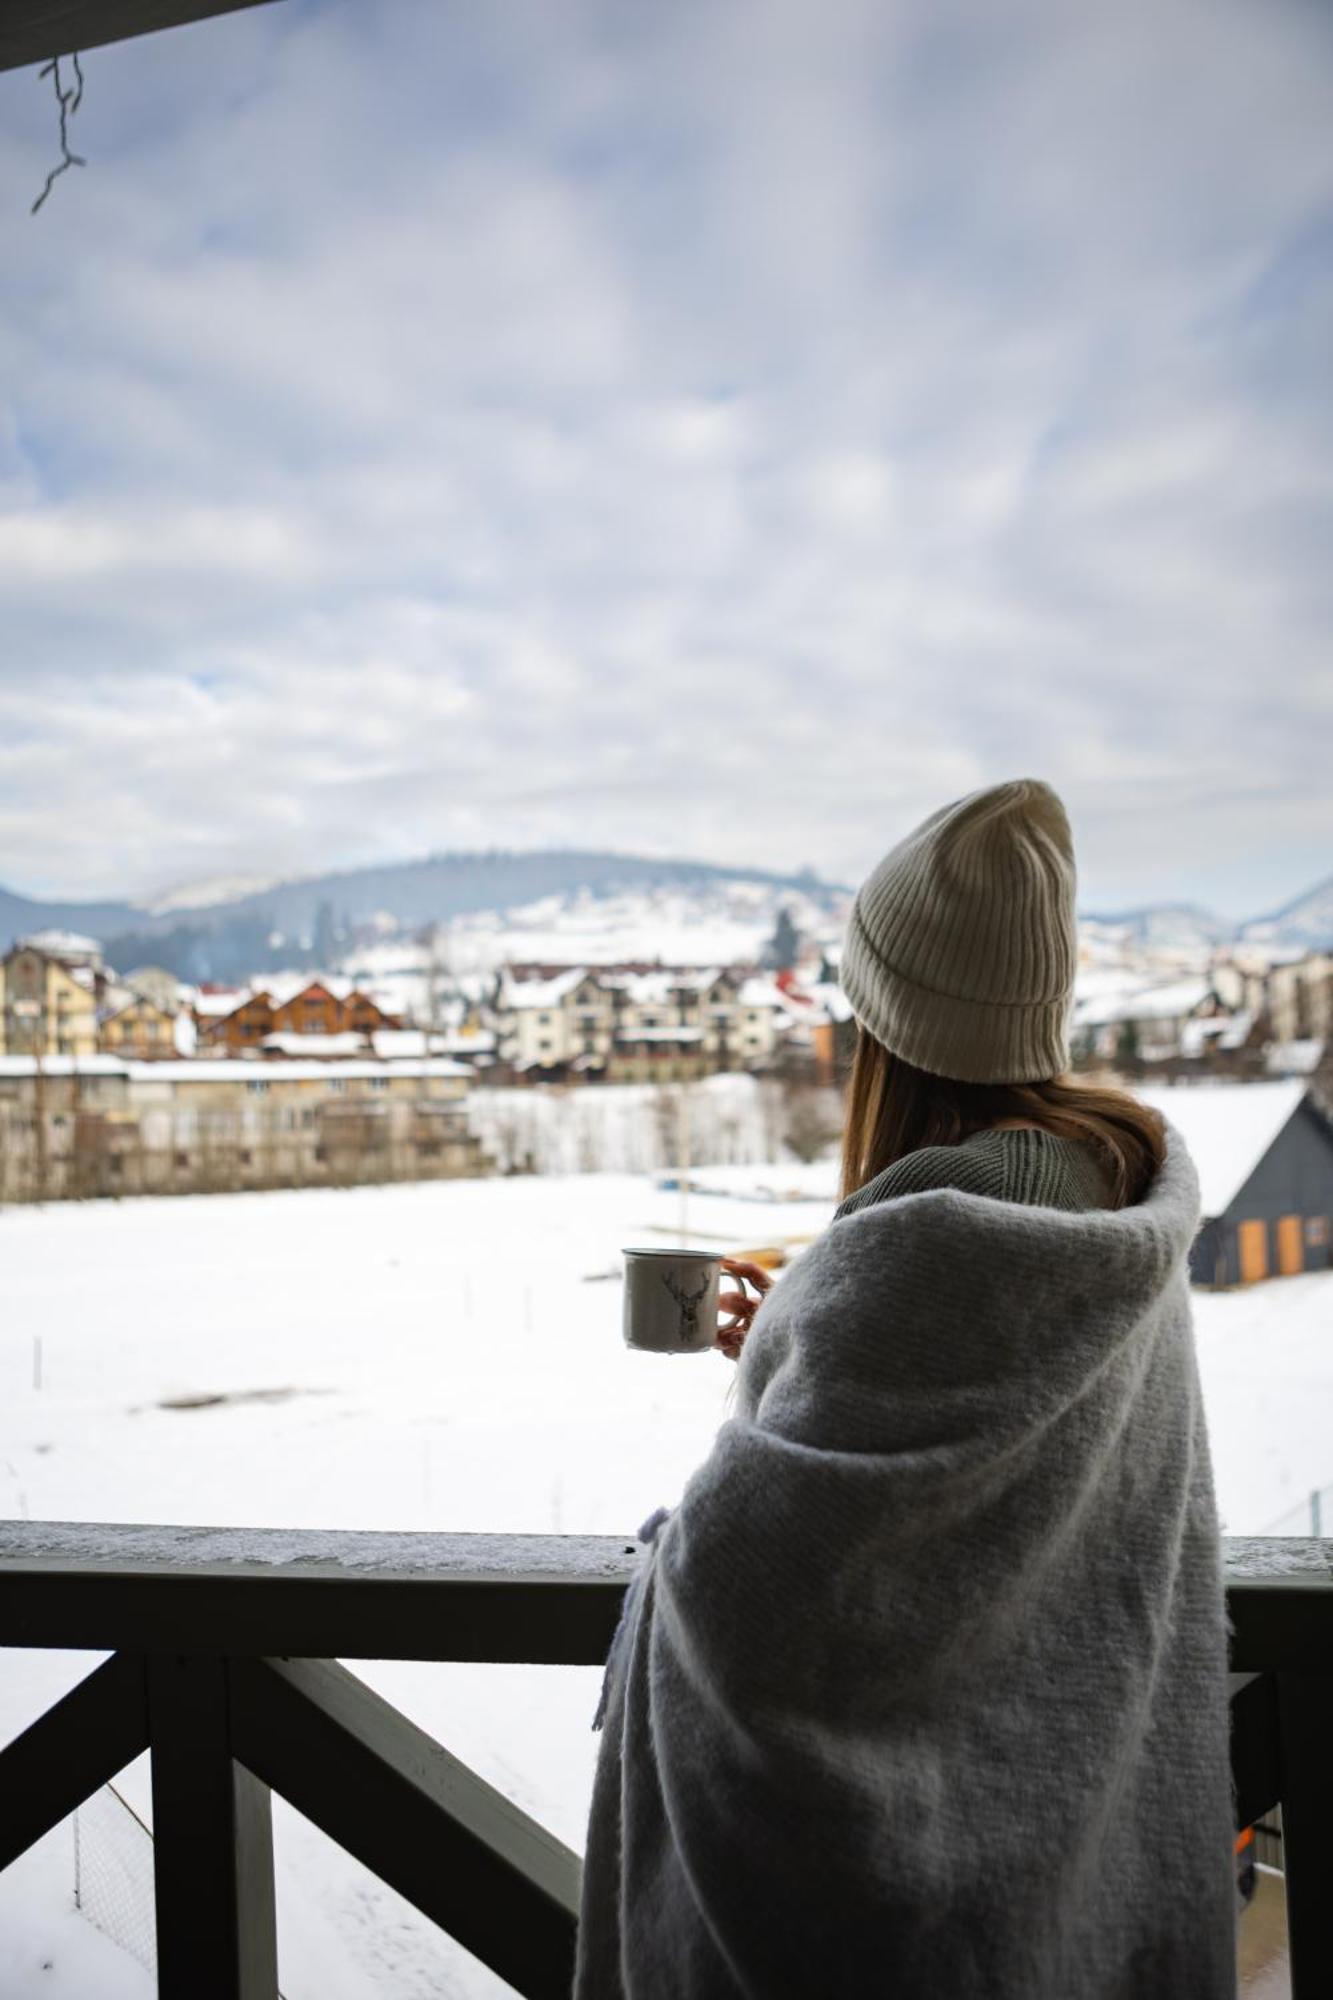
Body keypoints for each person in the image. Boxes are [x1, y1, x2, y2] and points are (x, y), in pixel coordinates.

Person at [574, 777, 1237, 1999]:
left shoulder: (922, 1244)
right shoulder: (1113, 1193)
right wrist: (802, 1327)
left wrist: (825, 1324)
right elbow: (1002, 1453)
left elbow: (746, 1585)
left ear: (890, 1018)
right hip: (1080, 1852)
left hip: (920, 1928)